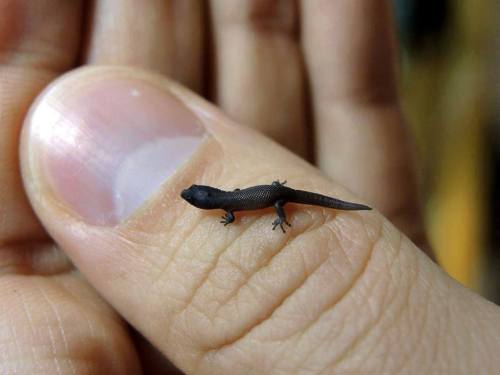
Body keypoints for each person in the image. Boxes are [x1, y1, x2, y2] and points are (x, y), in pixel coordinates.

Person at [2, 1, 499, 374]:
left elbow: (233, 210)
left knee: (320, 200)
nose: (194, 197)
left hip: (277, 195)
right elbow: (229, 206)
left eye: (195, 198)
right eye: (196, 198)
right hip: (273, 190)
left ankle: (323, 206)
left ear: (206, 202)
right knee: (298, 191)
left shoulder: (229, 210)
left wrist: (277, 214)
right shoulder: (225, 204)